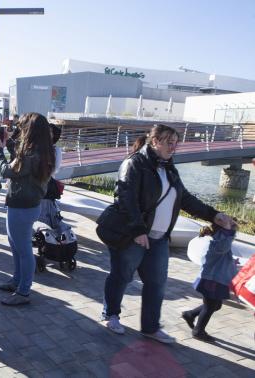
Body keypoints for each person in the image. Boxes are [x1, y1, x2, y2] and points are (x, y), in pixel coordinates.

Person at [100, 123, 235, 344]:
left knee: (156, 284)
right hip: (135, 236)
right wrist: (137, 230)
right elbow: (125, 198)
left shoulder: (169, 168)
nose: (173, 147)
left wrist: (214, 215)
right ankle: (111, 314)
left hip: (159, 239)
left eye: (175, 143)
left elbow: (185, 199)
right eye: (168, 142)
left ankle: (150, 328)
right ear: (155, 142)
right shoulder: (134, 164)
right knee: (121, 276)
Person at [0, 112, 55, 306]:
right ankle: (17, 281)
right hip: (26, 205)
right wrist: (9, 143)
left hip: (21, 207)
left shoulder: (31, 155)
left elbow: (6, 171)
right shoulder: (42, 151)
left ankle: (23, 291)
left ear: (30, 130)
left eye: (22, 127)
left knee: (23, 249)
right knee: (16, 246)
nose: (19, 130)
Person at [182, 223, 238, 342]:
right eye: (231, 233)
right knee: (210, 306)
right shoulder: (216, 244)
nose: (233, 236)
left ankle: (190, 314)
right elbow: (223, 247)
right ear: (223, 233)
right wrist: (230, 233)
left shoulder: (220, 243)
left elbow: (223, 256)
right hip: (212, 281)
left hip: (215, 280)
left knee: (215, 305)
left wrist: (233, 262)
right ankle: (198, 331)